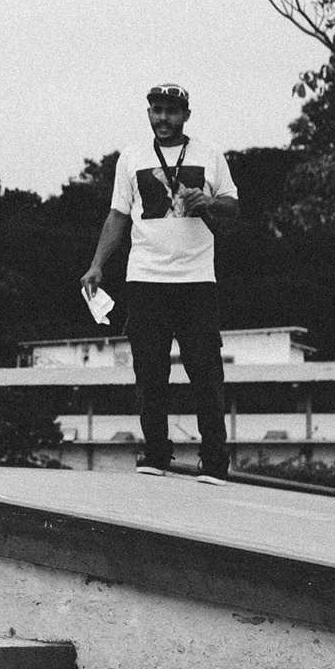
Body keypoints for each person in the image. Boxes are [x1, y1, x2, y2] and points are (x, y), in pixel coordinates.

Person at [80, 83, 239, 482]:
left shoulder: (209, 154)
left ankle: (214, 460)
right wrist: (97, 264)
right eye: (156, 110)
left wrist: (209, 201)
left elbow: (232, 206)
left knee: (206, 372)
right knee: (150, 372)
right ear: (149, 113)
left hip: (197, 279)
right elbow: (118, 215)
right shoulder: (132, 157)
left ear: (186, 115)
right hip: (146, 279)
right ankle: (155, 454)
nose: (163, 118)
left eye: (171, 110)